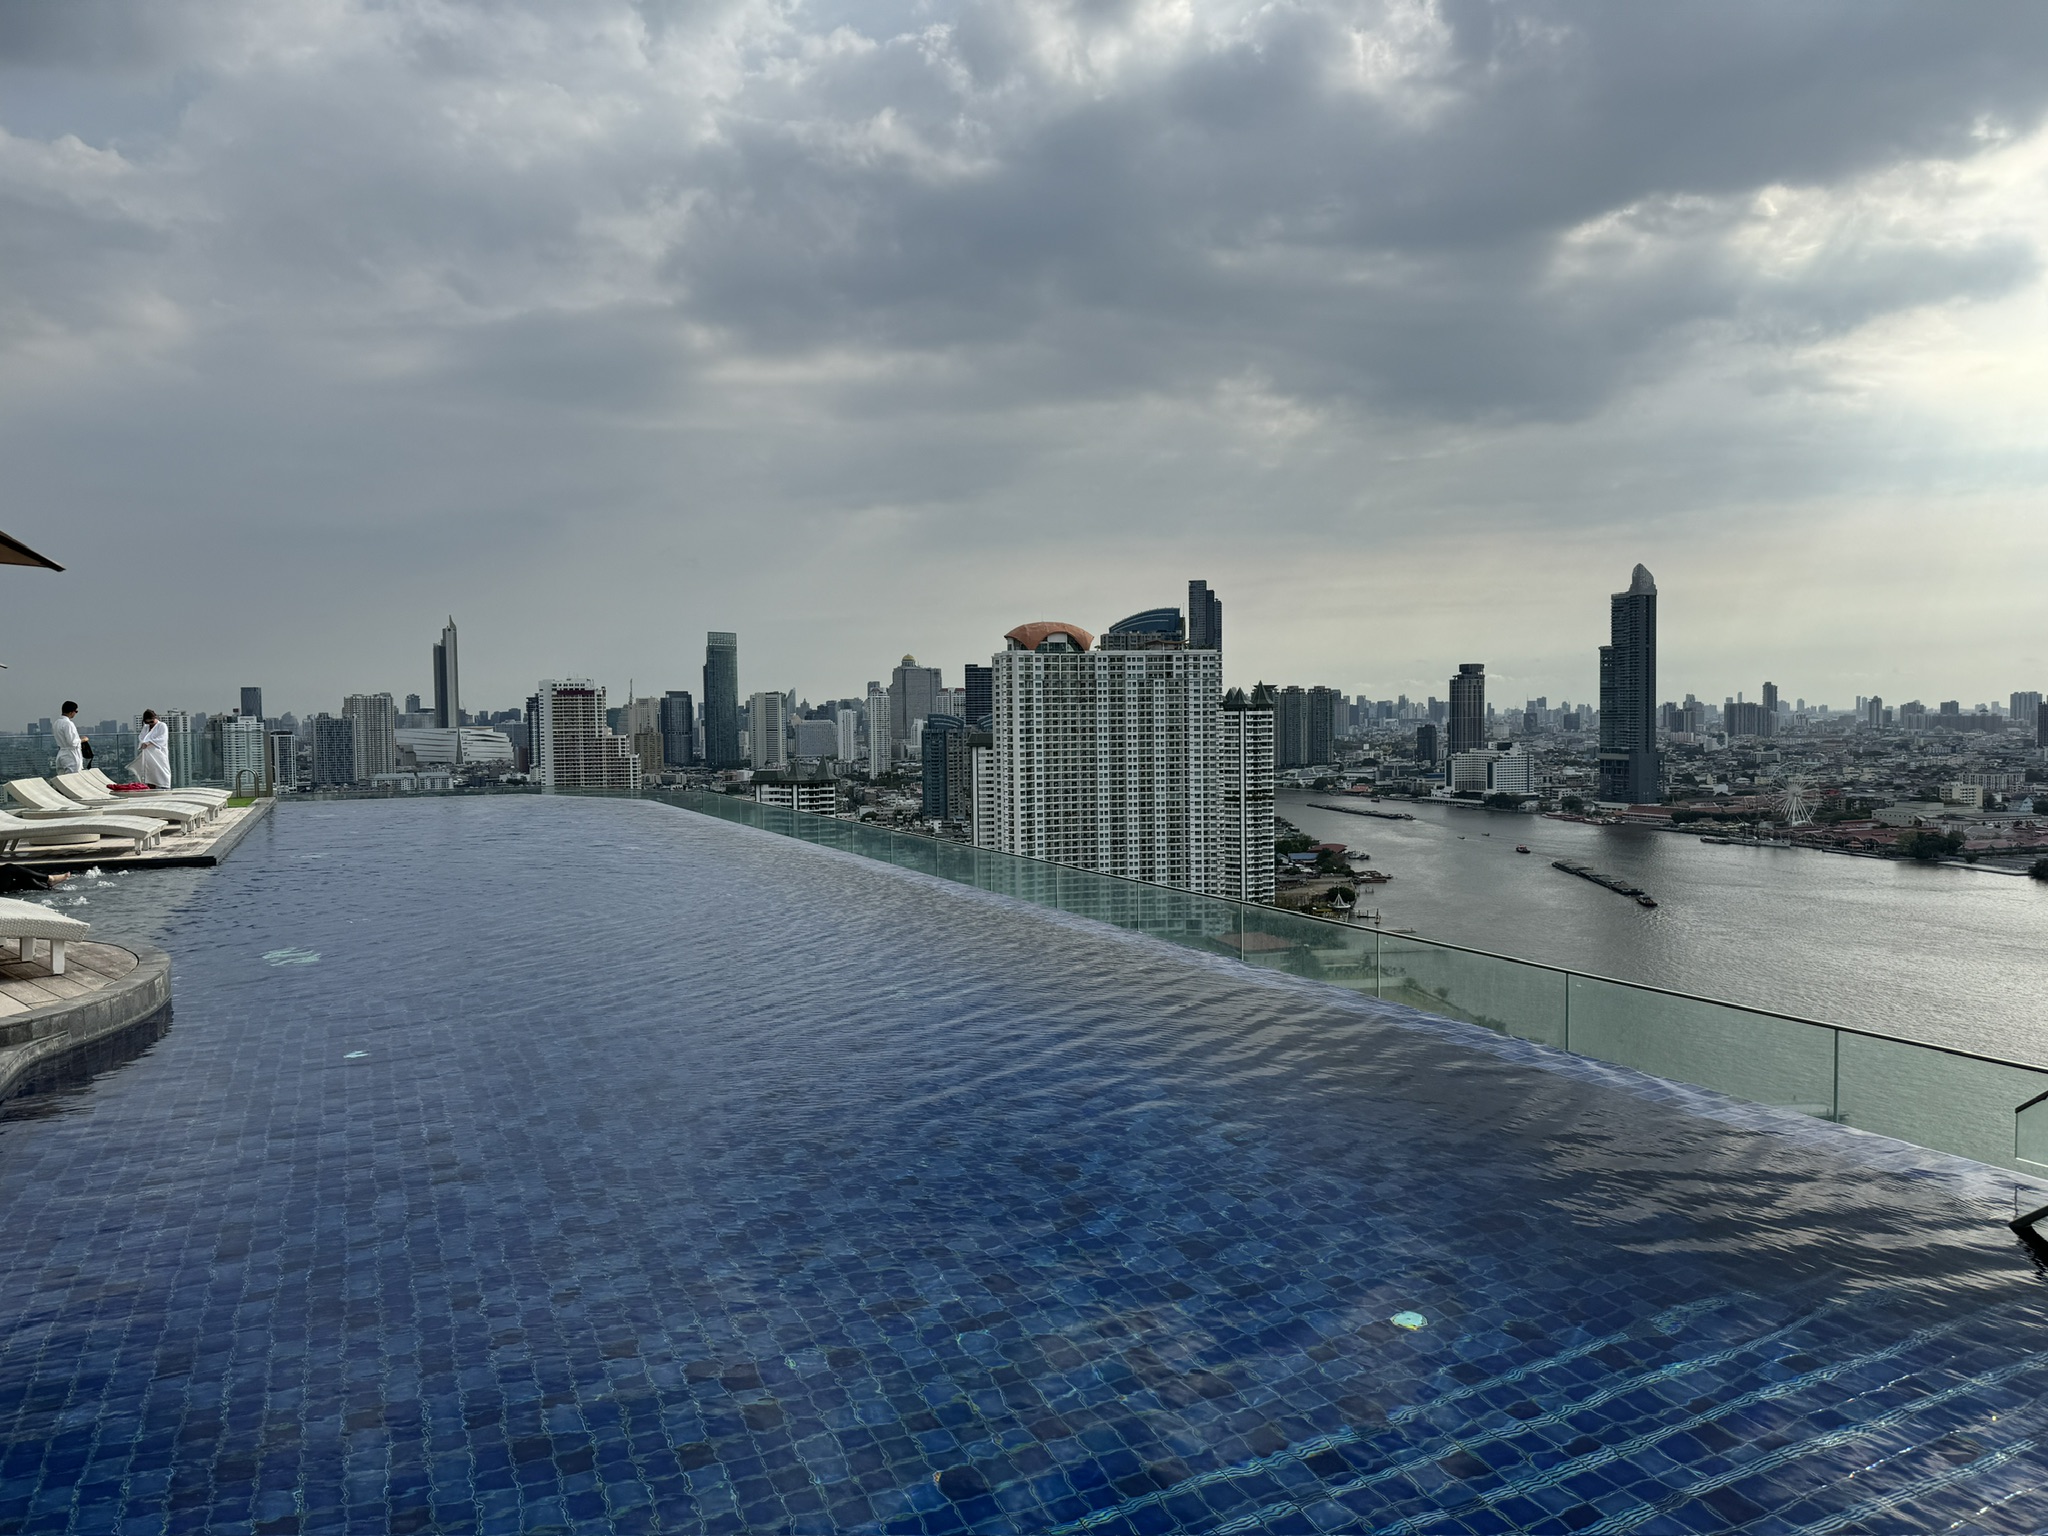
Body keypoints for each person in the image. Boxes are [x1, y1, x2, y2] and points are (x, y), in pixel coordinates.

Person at [134, 709, 171, 789]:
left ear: (155, 718)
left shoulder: (162, 725)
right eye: (147, 722)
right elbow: (141, 737)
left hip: (159, 753)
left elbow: (163, 738)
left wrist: (150, 742)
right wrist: (143, 743)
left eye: (151, 722)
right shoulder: (146, 727)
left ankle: (165, 788)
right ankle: (151, 788)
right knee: (150, 773)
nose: (150, 724)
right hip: (148, 754)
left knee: (162, 771)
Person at [52, 701, 87, 775]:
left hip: (61, 754)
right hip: (71, 755)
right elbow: (72, 742)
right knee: (73, 779)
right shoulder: (68, 724)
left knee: (62, 779)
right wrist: (83, 740)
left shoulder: (56, 723)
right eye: (76, 711)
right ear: (71, 712)